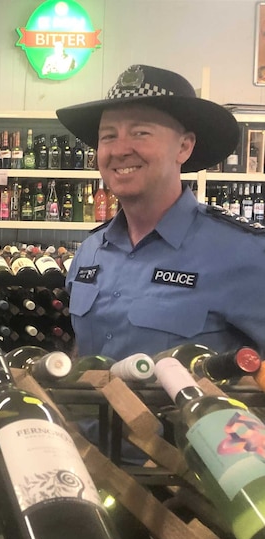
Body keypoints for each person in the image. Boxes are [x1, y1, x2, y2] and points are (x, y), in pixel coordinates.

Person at [57, 64, 265, 361]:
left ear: (184, 147)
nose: (120, 149)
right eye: (108, 136)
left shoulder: (246, 253)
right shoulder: (90, 252)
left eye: (141, 132)